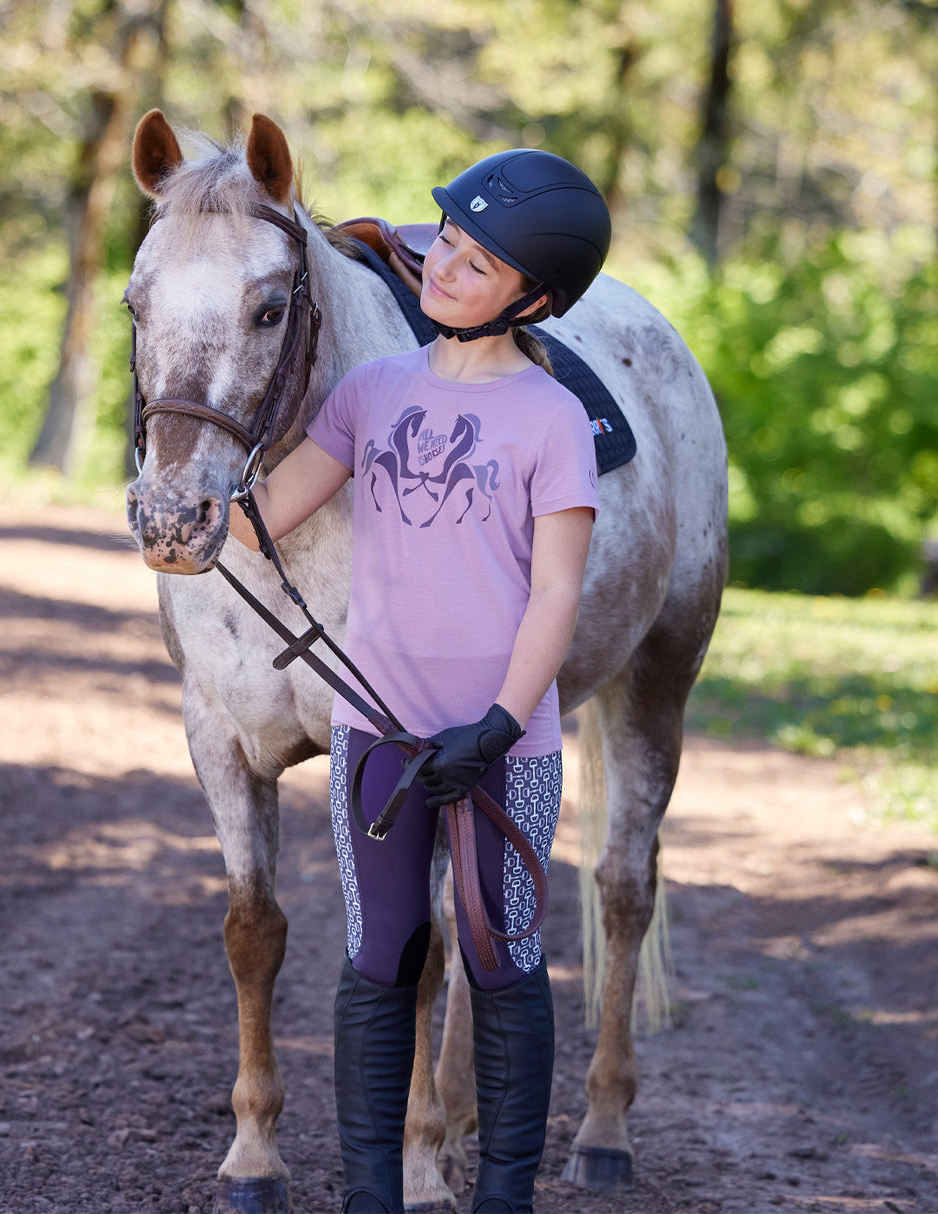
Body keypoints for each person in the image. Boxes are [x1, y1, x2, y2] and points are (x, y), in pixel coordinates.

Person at [229, 147, 611, 1213]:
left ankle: (501, 1198)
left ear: (531, 296)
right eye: (445, 239)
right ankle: (369, 1197)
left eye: (477, 262)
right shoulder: (371, 389)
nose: (443, 266)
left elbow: (553, 594)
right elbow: (261, 524)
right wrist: (177, 485)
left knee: (500, 957)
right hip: (378, 737)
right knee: (379, 953)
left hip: (501, 745)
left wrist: (494, 723)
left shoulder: (550, 416)